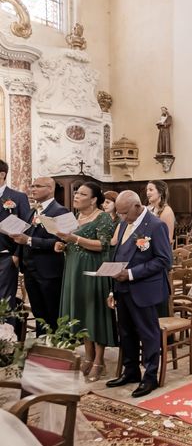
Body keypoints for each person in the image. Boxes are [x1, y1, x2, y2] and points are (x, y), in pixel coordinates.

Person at [106, 190, 172, 398]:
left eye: (124, 213)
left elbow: (164, 260)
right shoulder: (125, 223)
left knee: (148, 333)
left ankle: (150, 376)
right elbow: (119, 254)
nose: (122, 217)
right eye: (119, 213)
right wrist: (112, 285)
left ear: (136, 206)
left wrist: (132, 274)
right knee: (125, 332)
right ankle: (131, 370)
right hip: (122, 288)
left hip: (143, 288)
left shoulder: (155, 225)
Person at [56, 182, 117, 382]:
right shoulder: (76, 217)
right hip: (74, 270)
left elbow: (103, 245)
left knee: (95, 314)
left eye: (82, 194)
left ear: (93, 200)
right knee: (82, 312)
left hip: (94, 270)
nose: (76, 196)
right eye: (76, 192)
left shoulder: (103, 217)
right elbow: (71, 241)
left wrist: (74, 239)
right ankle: (88, 357)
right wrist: (62, 245)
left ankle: (100, 361)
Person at [12, 177, 68, 335]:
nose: (32, 189)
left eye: (37, 186)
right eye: (32, 186)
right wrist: (18, 252)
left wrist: (29, 240)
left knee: (52, 313)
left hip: (48, 269)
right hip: (30, 269)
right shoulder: (33, 210)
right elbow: (26, 233)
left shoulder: (60, 211)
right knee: (38, 314)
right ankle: (41, 348)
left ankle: (55, 350)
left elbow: (60, 242)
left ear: (50, 188)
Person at [0, 159, 29, 312]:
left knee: (4, 301)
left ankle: (5, 335)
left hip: (6, 256)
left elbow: (26, 228)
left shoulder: (18, 197)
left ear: (2, 174)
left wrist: (17, 256)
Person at [147, 180, 175, 246]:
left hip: (160, 249)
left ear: (160, 193)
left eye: (151, 190)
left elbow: (167, 238)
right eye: (147, 190)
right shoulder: (148, 209)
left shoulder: (166, 211)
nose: (147, 193)